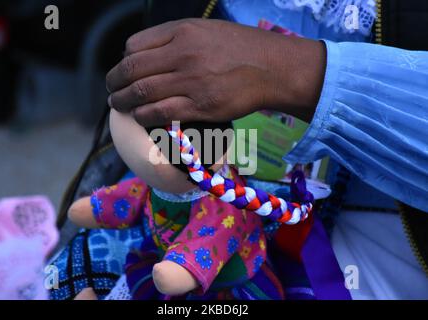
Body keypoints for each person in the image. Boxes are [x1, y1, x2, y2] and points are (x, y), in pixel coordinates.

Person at [105, 1, 428, 299]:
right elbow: (118, 198)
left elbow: (199, 250)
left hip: (381, 269)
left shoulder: (224, 210)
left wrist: (297, 73)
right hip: (177, 223)